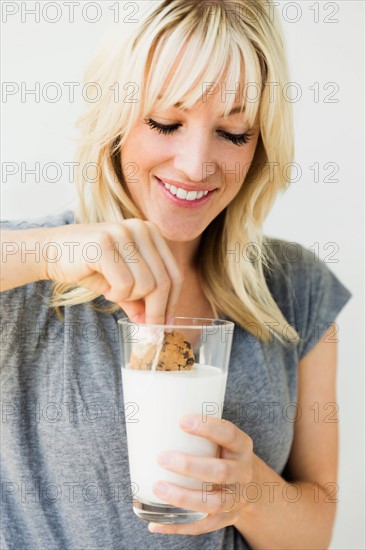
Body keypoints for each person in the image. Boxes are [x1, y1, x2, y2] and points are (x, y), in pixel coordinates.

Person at [0, 1, 352, 548]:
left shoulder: (298, 288)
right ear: (114, 119)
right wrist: (44, 252)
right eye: (166, 122)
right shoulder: (26, 274)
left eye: (234, 133)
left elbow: (315, 530)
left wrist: (251, 493)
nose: (194, 165)